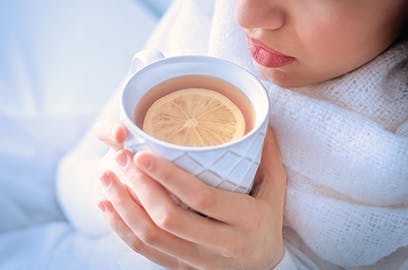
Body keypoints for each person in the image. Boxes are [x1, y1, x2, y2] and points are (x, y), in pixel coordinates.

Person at [57, 0, 408, 269]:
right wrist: (122, 179)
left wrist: (267, 262)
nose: (246, 15)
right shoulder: (209, 15)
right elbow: (71, 183)